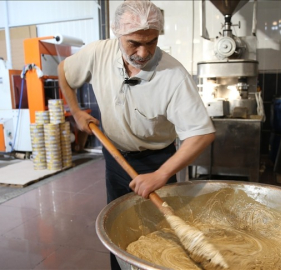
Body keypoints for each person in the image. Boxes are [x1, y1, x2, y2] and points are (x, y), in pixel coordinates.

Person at [58, 1, 215, 269]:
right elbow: (64, 70)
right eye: (133, 43)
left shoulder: (174, 76)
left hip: (156, 161)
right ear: (117, 33)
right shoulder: (99, 52)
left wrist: (160, 175)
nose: (143, 53)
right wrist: (75, 112)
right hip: (115, 156)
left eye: (151, 42)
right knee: (117, 226)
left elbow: (201, 134)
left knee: (159, 232)